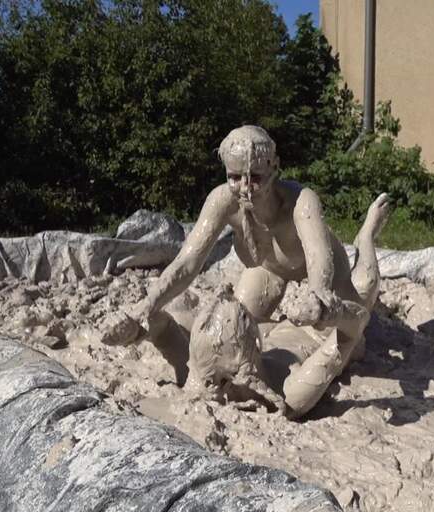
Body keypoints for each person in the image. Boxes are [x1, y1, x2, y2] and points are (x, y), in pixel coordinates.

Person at [105, 125, 390, 418]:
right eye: (235, 177)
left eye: (255, 177)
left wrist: (319, 295)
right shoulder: (222, 201)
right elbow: (187, 262)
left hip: (325, 275)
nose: (245, 187)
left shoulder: (301, 201)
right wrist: (146, 306)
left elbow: (319, 257)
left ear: (274, 168)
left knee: (363, 289)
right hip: (269, 270)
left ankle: (366, 236)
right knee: (234, 326)